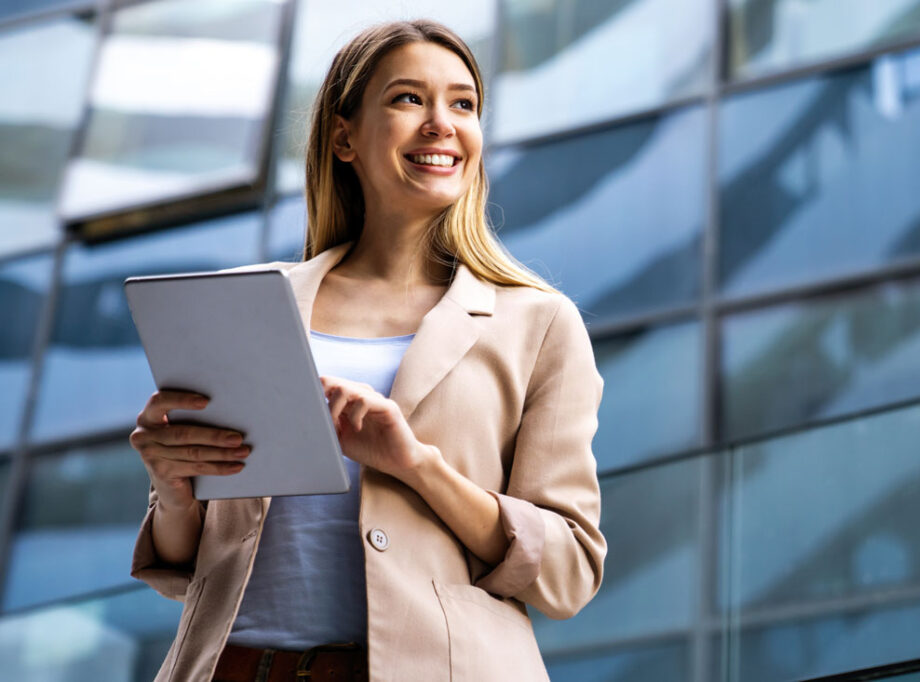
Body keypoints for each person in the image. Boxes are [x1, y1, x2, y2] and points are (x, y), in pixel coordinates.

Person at [128, 19, 605, 682]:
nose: (441, 123)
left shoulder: (538, 323)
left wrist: (417, 466)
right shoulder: (241, 304)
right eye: (409, 99)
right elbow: (187, 567)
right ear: (344, 137)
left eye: (462, 104)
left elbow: (568, 572)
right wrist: (172, 488)